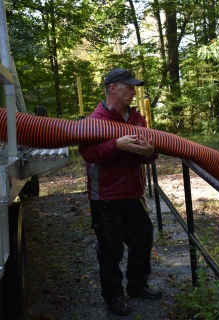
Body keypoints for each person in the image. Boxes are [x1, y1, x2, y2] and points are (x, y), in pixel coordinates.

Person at [79, 68, 162, 316]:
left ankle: (137, 286)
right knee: (111, 248)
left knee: (143, 240)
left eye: (135, 87)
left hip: (133, 193)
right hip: (105, 196)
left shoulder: (137, 119)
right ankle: (114, 296)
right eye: (129, 86)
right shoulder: (95, 120)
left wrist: (149, 153)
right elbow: (88, 154)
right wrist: (116, 145)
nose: (134, 92)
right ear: (113, 88)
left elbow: (152, 153)